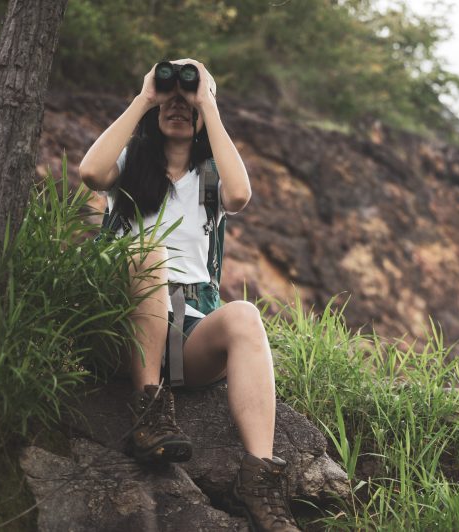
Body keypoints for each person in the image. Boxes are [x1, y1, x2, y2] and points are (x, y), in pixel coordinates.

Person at [79, 58, 300, 532]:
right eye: (169, 99)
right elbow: (91, 172)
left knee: (243, 315)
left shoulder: (210, 178)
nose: (177, 107)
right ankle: (150, 412)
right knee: (149, 254)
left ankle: (260, 479)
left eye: (188, 102)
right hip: (122, 328)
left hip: (188, 331)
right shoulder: (130, 165)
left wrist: (208, 101)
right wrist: (144, 98)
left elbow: (240, 195)